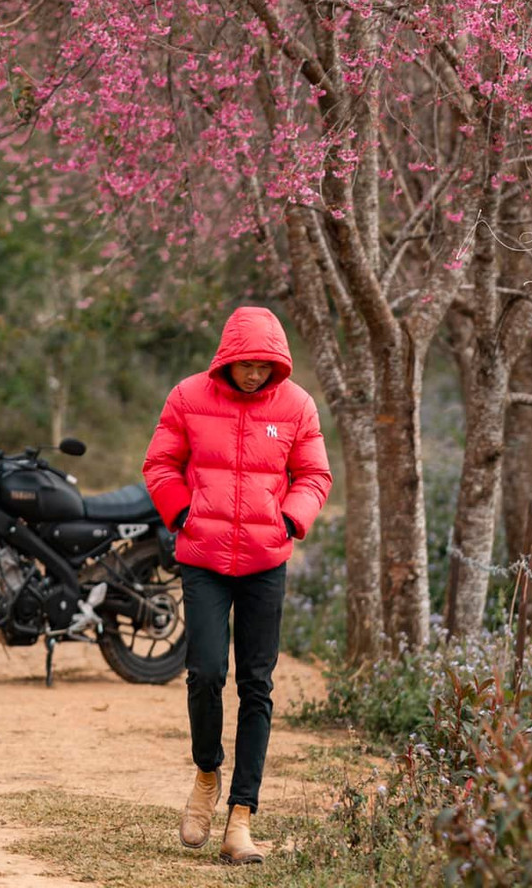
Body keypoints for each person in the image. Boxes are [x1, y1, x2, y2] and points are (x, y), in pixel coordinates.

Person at [142, 306, 332, 865]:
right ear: (228, 358)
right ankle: (206, 773)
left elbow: (315, 474)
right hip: (202, 557)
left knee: (257, 685)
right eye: (246, 364)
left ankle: (240, 819)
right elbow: (160, 464)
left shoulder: (296, 405)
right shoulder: (187, 396)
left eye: (264, 365)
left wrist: (290, 519)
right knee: (204, 672)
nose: (254, 375)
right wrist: (182, 516)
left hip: (264, 562)